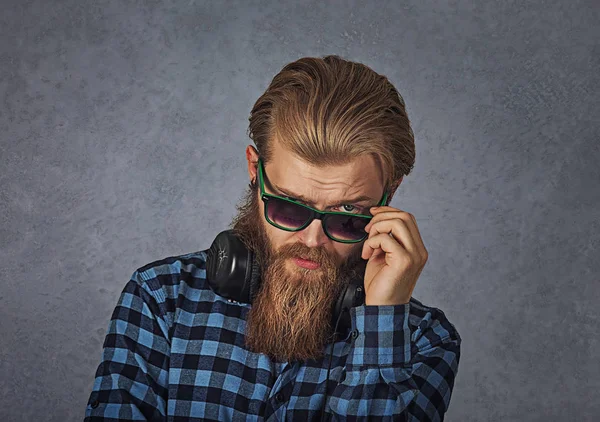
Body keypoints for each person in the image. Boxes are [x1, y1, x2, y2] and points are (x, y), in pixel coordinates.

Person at [84, 55, 461, 421]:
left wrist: (382, 322)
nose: (313, 240)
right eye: (290, 208)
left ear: (388, 199)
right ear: (254, 170)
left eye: (348, 216)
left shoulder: (425, 342)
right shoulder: (160, 298)